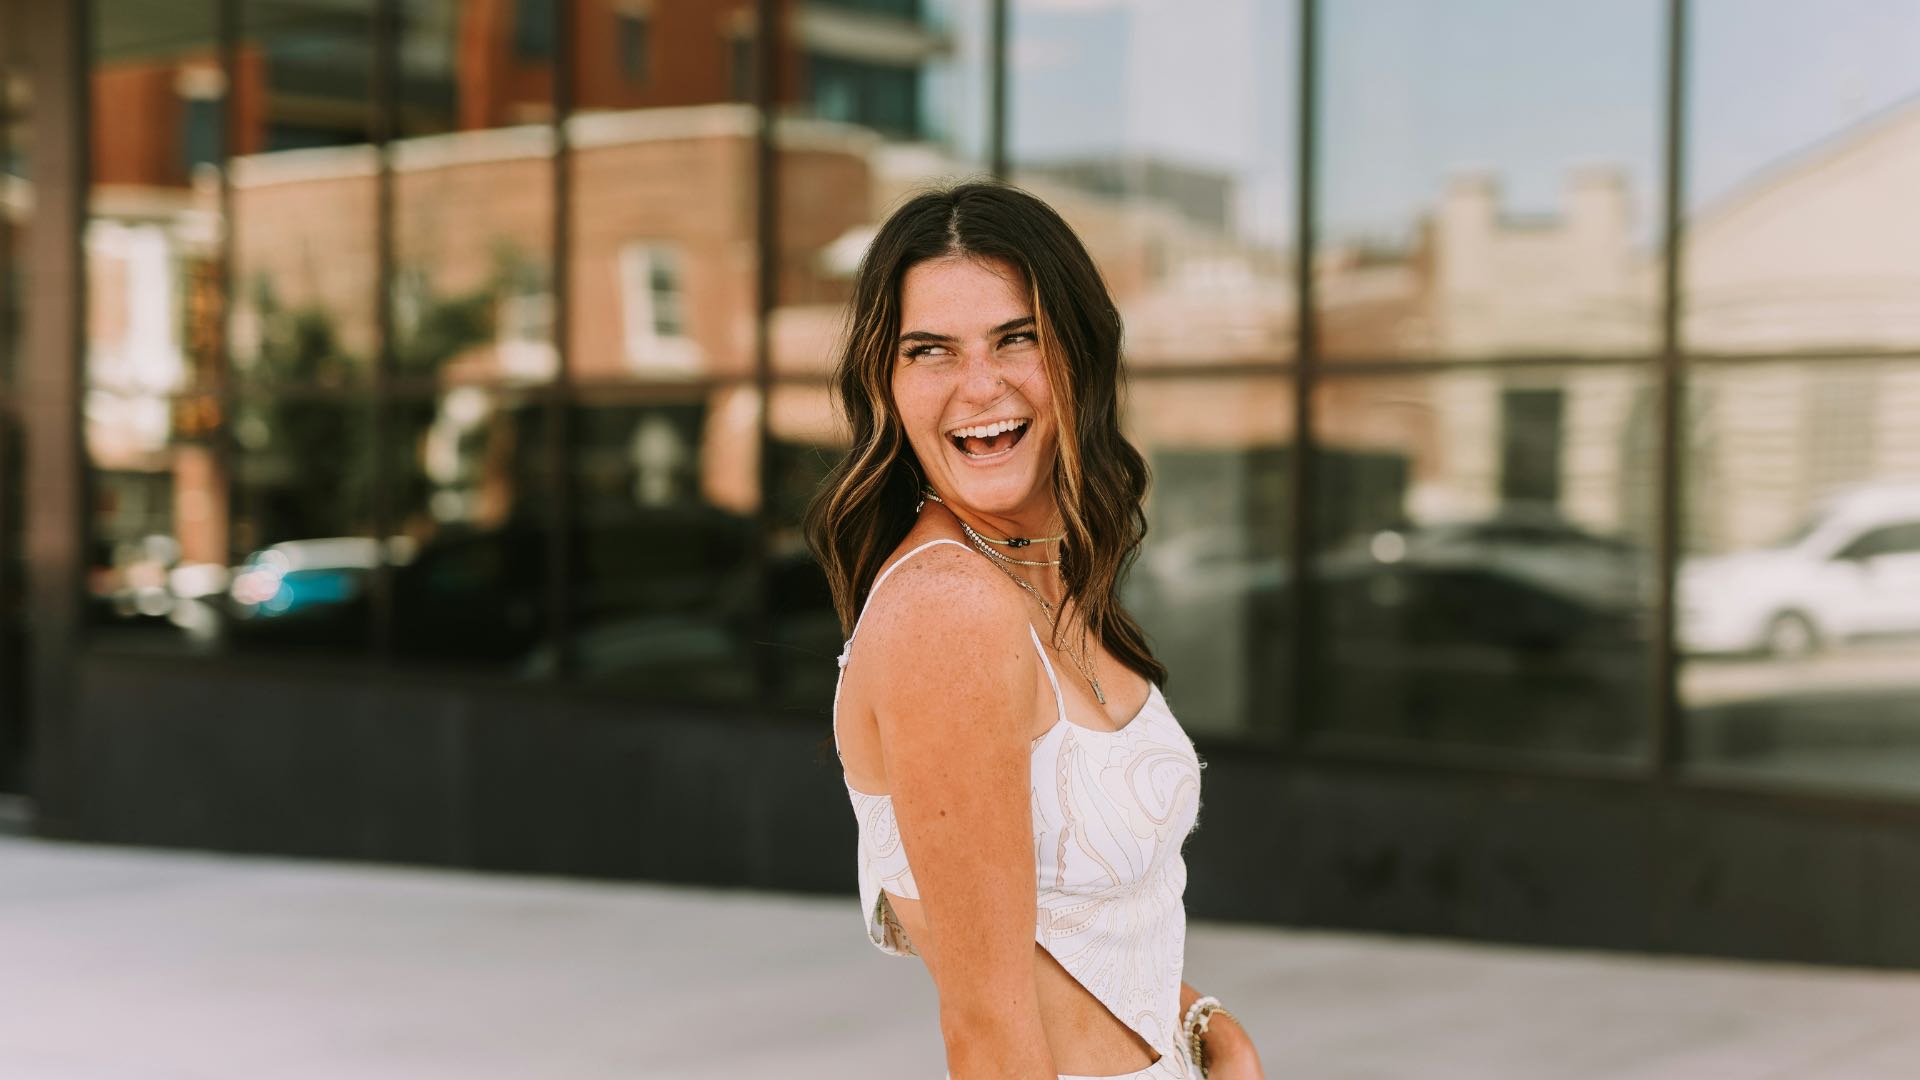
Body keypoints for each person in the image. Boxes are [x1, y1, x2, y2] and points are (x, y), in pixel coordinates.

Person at [805, 181, 1265, 1079]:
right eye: (929, 350)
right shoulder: (950, 610)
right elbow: (986, 1031)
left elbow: (1079, 930)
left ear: (1077, 356)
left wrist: (1204, 1024)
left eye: (1016, 338)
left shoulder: (1045, 581)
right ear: (886, 384)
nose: (980, 386)